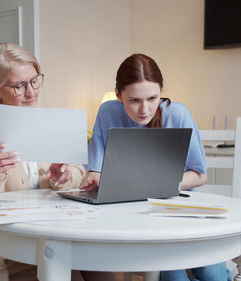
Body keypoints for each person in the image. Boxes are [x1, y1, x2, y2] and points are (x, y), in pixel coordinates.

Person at [0, 42, 115, 281]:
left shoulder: (48, 116)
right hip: (14, 239)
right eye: (20, 86)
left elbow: (76, 173)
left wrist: (62, 177)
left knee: (105, 269)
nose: (31, 92)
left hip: (62, 229)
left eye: (35, 81)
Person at [80, 53, 231, 281]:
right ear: (119, 95)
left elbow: (199, 175)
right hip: (129, 217)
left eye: (152, 98)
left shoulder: (178, 114)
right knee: (174, 276)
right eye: (134, 100)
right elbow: (96, 169)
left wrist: (160, 184)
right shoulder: (107, 113)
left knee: (212, 273)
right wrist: (92, 177)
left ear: (161, 90)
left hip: (178, 213)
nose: (145, 109)